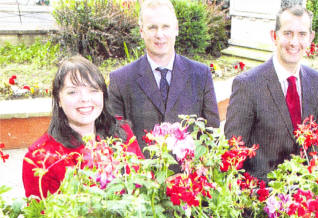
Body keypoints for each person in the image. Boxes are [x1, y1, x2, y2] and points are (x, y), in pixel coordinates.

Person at [22, 56, 144, 199]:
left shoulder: (122, 133)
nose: (85, 99)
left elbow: (146, 184)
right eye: (73, 92)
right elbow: (42, 217)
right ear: (58, 99)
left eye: (93, 90)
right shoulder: (41, 157)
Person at [224, 5, 318, 182]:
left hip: (302, 194)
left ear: (311, 37)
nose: (294, 42)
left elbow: (311, 142)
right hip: (259, 197)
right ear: (274, 36)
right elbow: (233, 154)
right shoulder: (248, 85)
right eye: (287, 33)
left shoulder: (315, 81)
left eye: (302, 34)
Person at [108, 0, 220, 155]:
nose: (159, 34)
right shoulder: (121, 80)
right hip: (142, 176)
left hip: (189, 176)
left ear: (176, 29)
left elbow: (211, 134)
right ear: (141, 31)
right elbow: (117, 139)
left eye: (165, 27)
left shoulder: (201, 75)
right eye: (152, 27)